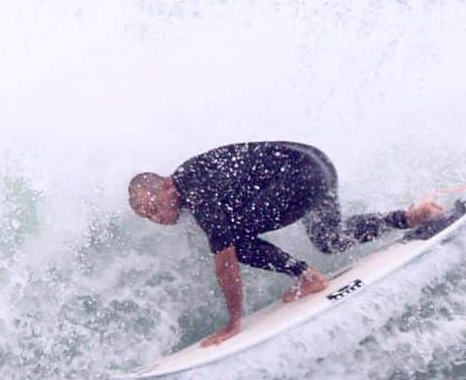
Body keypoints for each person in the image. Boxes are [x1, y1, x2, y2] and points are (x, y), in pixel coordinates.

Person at [128, 141, 444, 347]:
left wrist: (233, 324)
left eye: (155, 207)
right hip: (317, 162)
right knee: (329, 238)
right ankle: (410, 217)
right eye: (149, 216)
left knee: (233, 242)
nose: (158, 218)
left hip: (300, 177)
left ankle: (308, 277)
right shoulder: (194, 176)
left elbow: (226, 263)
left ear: (167, 185)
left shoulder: (196, 193)